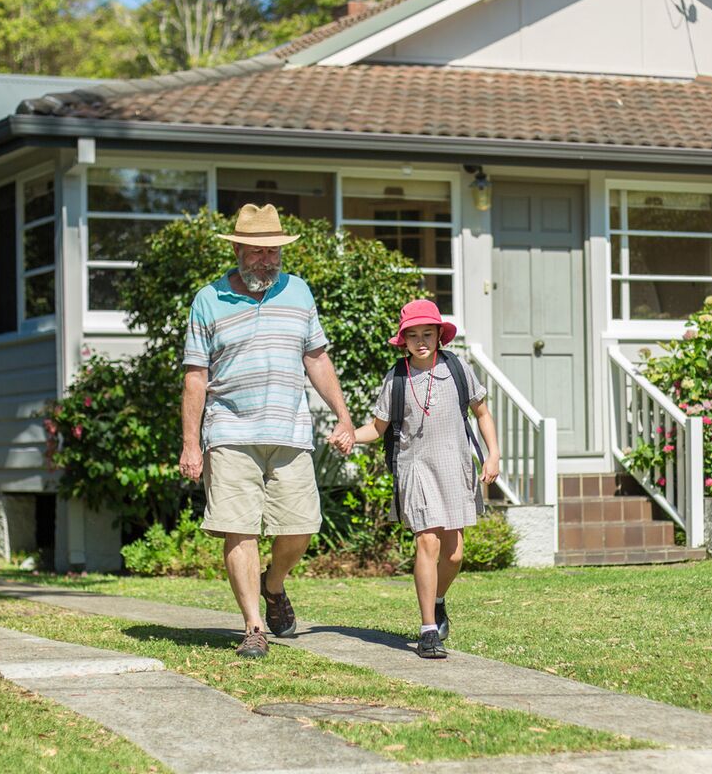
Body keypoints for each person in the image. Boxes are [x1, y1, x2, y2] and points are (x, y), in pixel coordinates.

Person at [178, 203, 355, 659]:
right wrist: (191, 444)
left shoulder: (299, 292)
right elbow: (195, 376)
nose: (268, 261)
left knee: (300, 526)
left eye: (274, 252)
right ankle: (254, 626)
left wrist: (343, 414)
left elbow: (316, 357)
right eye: (258, 252)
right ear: (237, 249)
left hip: (290, 430)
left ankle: (272, 585)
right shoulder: (208, 299)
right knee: (239, 529)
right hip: (230, 430)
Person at [352, 299, 500, 659]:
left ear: (439, 336)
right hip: (415, 467)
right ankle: (427, 630)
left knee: (454, 554)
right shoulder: (397, 377)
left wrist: (493, 454)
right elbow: (377, 427)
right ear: (403, 340)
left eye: (427, 334)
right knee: (427, 544)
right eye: (413, 335)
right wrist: (348, 435)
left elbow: (481, 413)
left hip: (455, 465)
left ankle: (437, 600)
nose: (421, 341)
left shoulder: (458, 368)